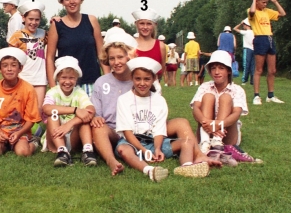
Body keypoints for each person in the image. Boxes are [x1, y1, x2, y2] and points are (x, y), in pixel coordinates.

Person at [115, 57, 220, 181]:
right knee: (123, 150)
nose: (142, 83)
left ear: (154, 79)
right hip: (131, 142)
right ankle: (148, 170)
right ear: (132, 78)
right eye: (138, 79)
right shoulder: (124, 99)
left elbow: (159, 130)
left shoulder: (159, 100)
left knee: (188, 142)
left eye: (147, 79)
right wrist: (143, 150)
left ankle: (186, 166)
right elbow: (127, 132)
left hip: (152, 142)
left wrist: (158, 149)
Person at [190, 50, 261, 163]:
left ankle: (217, 143)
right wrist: (207, 122)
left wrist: (218, 125)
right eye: (213, 68)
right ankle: (205, 143)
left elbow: (236, 113)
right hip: (206, 131)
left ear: (228, 71)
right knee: (208, 96)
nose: (217, 72)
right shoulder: (205, 86)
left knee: (226, 97)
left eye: (221, 68)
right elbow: (196, 108)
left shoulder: (237, 90)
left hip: (227, 134)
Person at [90, 28, 137, 175]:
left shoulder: (140, 80)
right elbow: (96, 111)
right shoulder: (101, 82)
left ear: (128, 57)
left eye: (120, 57)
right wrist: (96, 117)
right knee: (98, 128)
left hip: (135, 131)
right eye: (112, 59)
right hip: (112, 130)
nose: (116, 62)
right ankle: (111, 161)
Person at [46, 0, 106, 96]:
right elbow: (49, 57)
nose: (72, 2)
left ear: (81, 0)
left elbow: (101, 53)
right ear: (62, 2)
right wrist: (53, 87)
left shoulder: (91, 20)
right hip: (67, 84)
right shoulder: (57, 25)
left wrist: (107, 79)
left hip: (92, 81)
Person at [0, 47, 41, 157]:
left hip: (20, 129)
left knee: (23, 152)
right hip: (0, 129)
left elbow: (30, 119)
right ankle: (4, 144)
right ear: (0, 69)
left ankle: (34, 142)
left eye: (13, 65)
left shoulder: (28, 89)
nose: (9, 69)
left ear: (20, 68)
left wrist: (19, 133)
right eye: (5, 66)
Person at [42, 56, 97, 167]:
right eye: (64, 77)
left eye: (71, 78)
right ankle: (62, 151)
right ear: (57, 78)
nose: (67, 82)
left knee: (85, 118)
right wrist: (75, 110)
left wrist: (69, 124)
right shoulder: (53, 92)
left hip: (73, 136)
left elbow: (91, 110)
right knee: (53, 115)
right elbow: (46, 108)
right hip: (55, 136)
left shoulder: (79, 92)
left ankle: (88, 151)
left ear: (77, 78)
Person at [248, 0, 286, 104]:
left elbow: (282, 13)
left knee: (272, 70)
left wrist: (275, 1)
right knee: (259, 69)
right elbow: (252, 12)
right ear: (257, 0)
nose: (265, 3)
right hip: (260, 39)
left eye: (266, 1)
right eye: (263, 1)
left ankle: (270, 95)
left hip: (269, 38)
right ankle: (256, 96)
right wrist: (254, 0)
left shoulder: (267, 11)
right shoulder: (251, 10)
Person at [8, 1, 48, 113]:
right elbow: (11, 59)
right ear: (23, 18)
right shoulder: (17, 35)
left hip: (40, 79)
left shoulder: (44, 34)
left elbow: (58, 35)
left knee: (38, 110)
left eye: (37, 20)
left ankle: (37, 130)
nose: (33, 22)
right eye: (30, 19)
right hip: (23, 78)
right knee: (21, 110)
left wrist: (56, 21)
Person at [132, 8, 166, 85]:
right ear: (136, 24)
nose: (145, 27)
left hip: (154, 89)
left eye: (149, 24)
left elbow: (161, 69)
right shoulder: (130, 45)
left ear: (155, 25)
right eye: (142, 23)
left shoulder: (160, 46)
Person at [233, 19, 255, 86]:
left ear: (246, 25)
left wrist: (240, 23)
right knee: (253, 66)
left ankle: (244, 80)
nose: (243, 26)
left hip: (247, 49)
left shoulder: (245, 32)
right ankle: (252, 81)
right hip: (254, 50)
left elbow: (234, 28)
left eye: (243, 25)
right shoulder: (254, 32)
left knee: (246, 65)